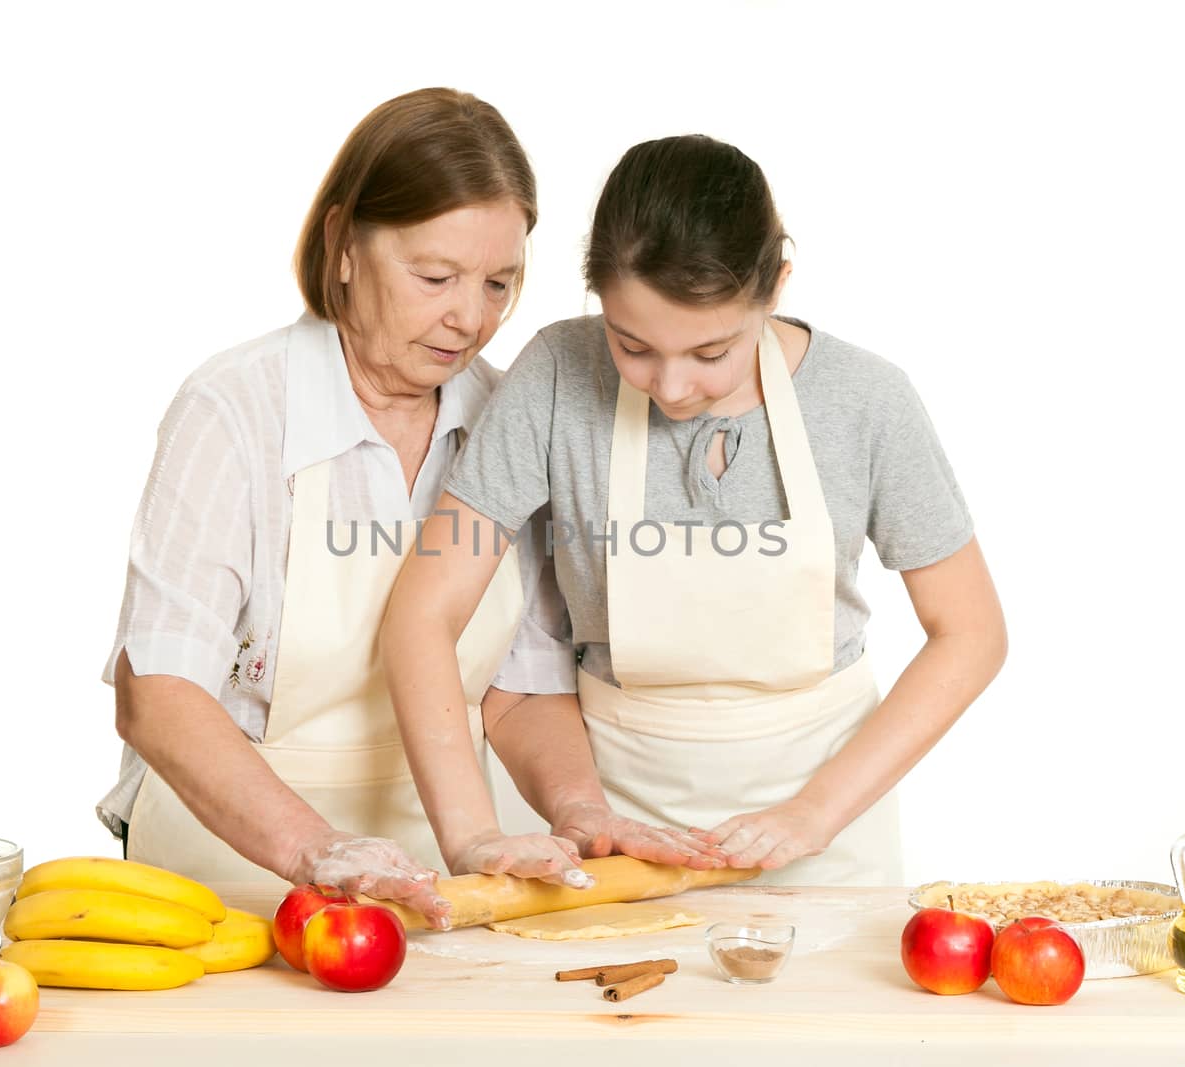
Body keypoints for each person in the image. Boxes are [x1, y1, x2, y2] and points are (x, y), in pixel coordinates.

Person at [381, 134, 1008, 887]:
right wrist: (473, 836)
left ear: (774, 285)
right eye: (632, 345)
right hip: (620, 840)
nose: (672, 387)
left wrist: (814, 813)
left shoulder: (867, 402)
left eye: (711, 353)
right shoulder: (555, 376)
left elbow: (971, 633)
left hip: (830, 837)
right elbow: (423, 612)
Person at [97, 88, 576, 927]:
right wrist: (318, 849)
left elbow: (523, 690)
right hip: (242, 865)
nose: (472, 318)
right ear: (343, 245)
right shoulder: (236, 409)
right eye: (436, 276)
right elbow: (159, 695)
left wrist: (580, 813)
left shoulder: (508, 420)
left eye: (500, 283)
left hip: (449, 866)